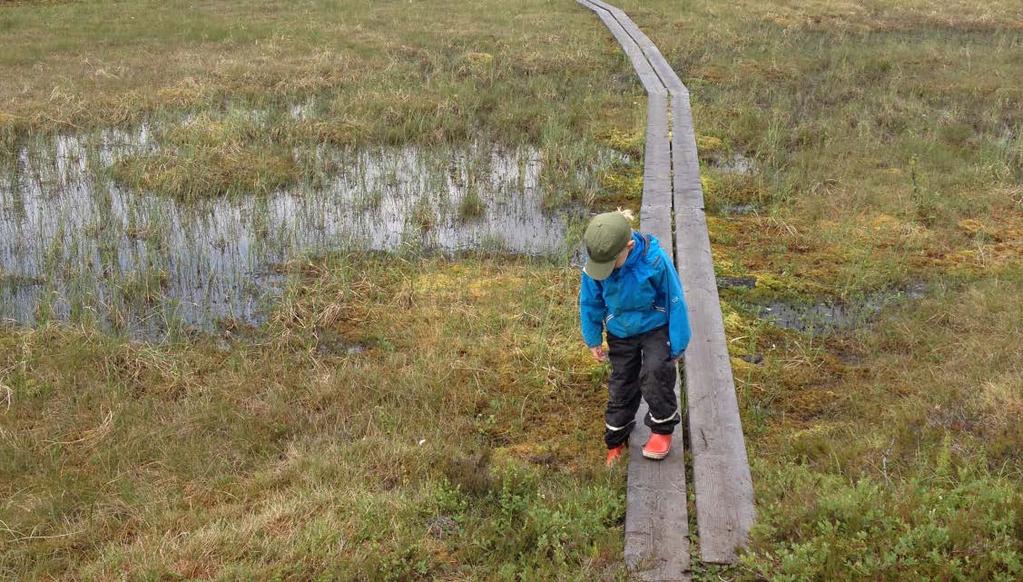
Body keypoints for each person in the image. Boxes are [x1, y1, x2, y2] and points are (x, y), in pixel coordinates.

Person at [578, 210, 691, 466]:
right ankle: (617, 438)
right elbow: (590, 303)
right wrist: (593, 338)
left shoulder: (655, 261)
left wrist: (678, 342)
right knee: (622, 383)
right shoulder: (596, 266)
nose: (603, 272)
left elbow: (675, 300)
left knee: (655, 373)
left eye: (609, 264)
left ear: (628, 247)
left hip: (655, 327)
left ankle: (662, 430)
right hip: (620, 331)